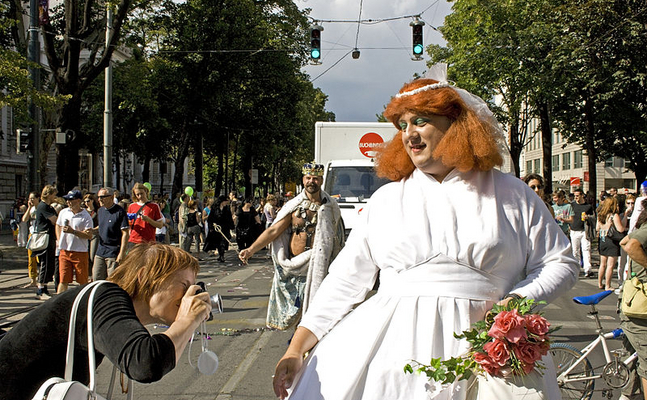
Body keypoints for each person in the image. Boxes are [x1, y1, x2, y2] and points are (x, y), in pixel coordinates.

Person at [271, 73, 579, 400]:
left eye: (420, 121)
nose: (409, 135)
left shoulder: (513, 194)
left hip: (487, 359)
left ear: (457, 124)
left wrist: (519, 300)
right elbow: (346, 280)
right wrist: (296, 347)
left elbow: (560, 262)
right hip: (389, 363)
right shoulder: (385, 200)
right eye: (402, 125)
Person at [0, 243, 212, 400]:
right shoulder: (105, 295)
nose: (188, 297)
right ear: (144, 277)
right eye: (184, 286)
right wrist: (188, 320)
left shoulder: (112, 304)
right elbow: (146, 363)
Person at [239, 163, 345, 330]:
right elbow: (274, 230)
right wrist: (251, 250)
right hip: (296, 268)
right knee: (298, 315)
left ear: (321, 180)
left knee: (317, 314)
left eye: (316, 178)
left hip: (321, 267)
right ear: (303, 180)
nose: (312, 181)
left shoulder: (331, 207)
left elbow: (338, 240)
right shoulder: (294, 206)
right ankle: (299, 346)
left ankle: (310, 347)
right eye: (308, 178)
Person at [619, 207, 647, 400]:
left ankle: (626, 396)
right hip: (639, 304)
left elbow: (624, 241)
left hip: (633, 302)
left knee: (634, 355)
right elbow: (630, 245)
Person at [56, 190, 94, 293]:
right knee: (63, 280)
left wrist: (73, 232)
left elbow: (89, 235)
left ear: (78, 201)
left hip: (80, 252)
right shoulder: (64, 212)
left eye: (71, 199)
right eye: (67, 199)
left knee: (82, 281)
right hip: (65, 251)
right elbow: (58, 225)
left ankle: (83, 301)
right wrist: (59, 239)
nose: (68, 202)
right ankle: (58, 303)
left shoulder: (86, 216)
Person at [92, 187, 130, 281]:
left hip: (113, 251)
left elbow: (125, 233)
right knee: (96, 278)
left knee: (113, 280)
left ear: (111, 197)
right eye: (99, 197)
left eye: (103, 197)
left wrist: (122, 253)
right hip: (101, 250)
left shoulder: (120, 212)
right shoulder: (100, 211)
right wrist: (93, 230)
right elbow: (101, 226)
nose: (100, 199)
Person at [34, 185, 59, 300]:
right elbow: (54, 221)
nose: (55, 196)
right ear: (48, 194)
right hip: (45, 238)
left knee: (49, 263)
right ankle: (40, 289)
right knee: (45, 262)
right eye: (54, 194)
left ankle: (44, 287)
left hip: (50, 237)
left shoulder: (48, 206)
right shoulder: (43, 206)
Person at [596, 196, 625, 290]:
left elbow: (597, 228)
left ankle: (600, 283)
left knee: (602, 264)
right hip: (612, 241)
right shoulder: (614, 215)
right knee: (610, 265)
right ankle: (608, 285)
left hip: (602, 240)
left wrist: (604, 226)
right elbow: (620, 229)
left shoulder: (600, 215)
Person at [570, 188, 595, 278]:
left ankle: (588, 269)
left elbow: (593, 217)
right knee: (575, 251)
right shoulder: (572, 205)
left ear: (582, 195)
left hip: (584, 230)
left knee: (586, 249)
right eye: (575, 196)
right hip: (574, 230)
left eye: (577, 196)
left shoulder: (588, 206)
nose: (576, 198)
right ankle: (576, 269)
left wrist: (588, 217)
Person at [204, 195, 234, 262]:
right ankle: (220, 254)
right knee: (218, 242)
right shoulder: (215, 208)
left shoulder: (227, 209)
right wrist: (211, 227)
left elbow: (229, 218)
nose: (226, 203)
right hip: (216, 228)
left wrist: (231, 226)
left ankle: (222, 255)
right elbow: (210, 218)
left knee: (223, 241)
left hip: (224, 228)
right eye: (225, 201)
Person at [22, 192, 40, 288]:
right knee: (31, 258)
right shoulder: (31, 209)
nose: (31, 200)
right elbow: (24, 219)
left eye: (33, 198)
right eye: (30, 198)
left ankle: (42, 279)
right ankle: (33, 279)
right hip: (32, 235)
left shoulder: (41, 207)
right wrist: (28, 208)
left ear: (38, 198)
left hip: (40, 235)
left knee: (39, 258)